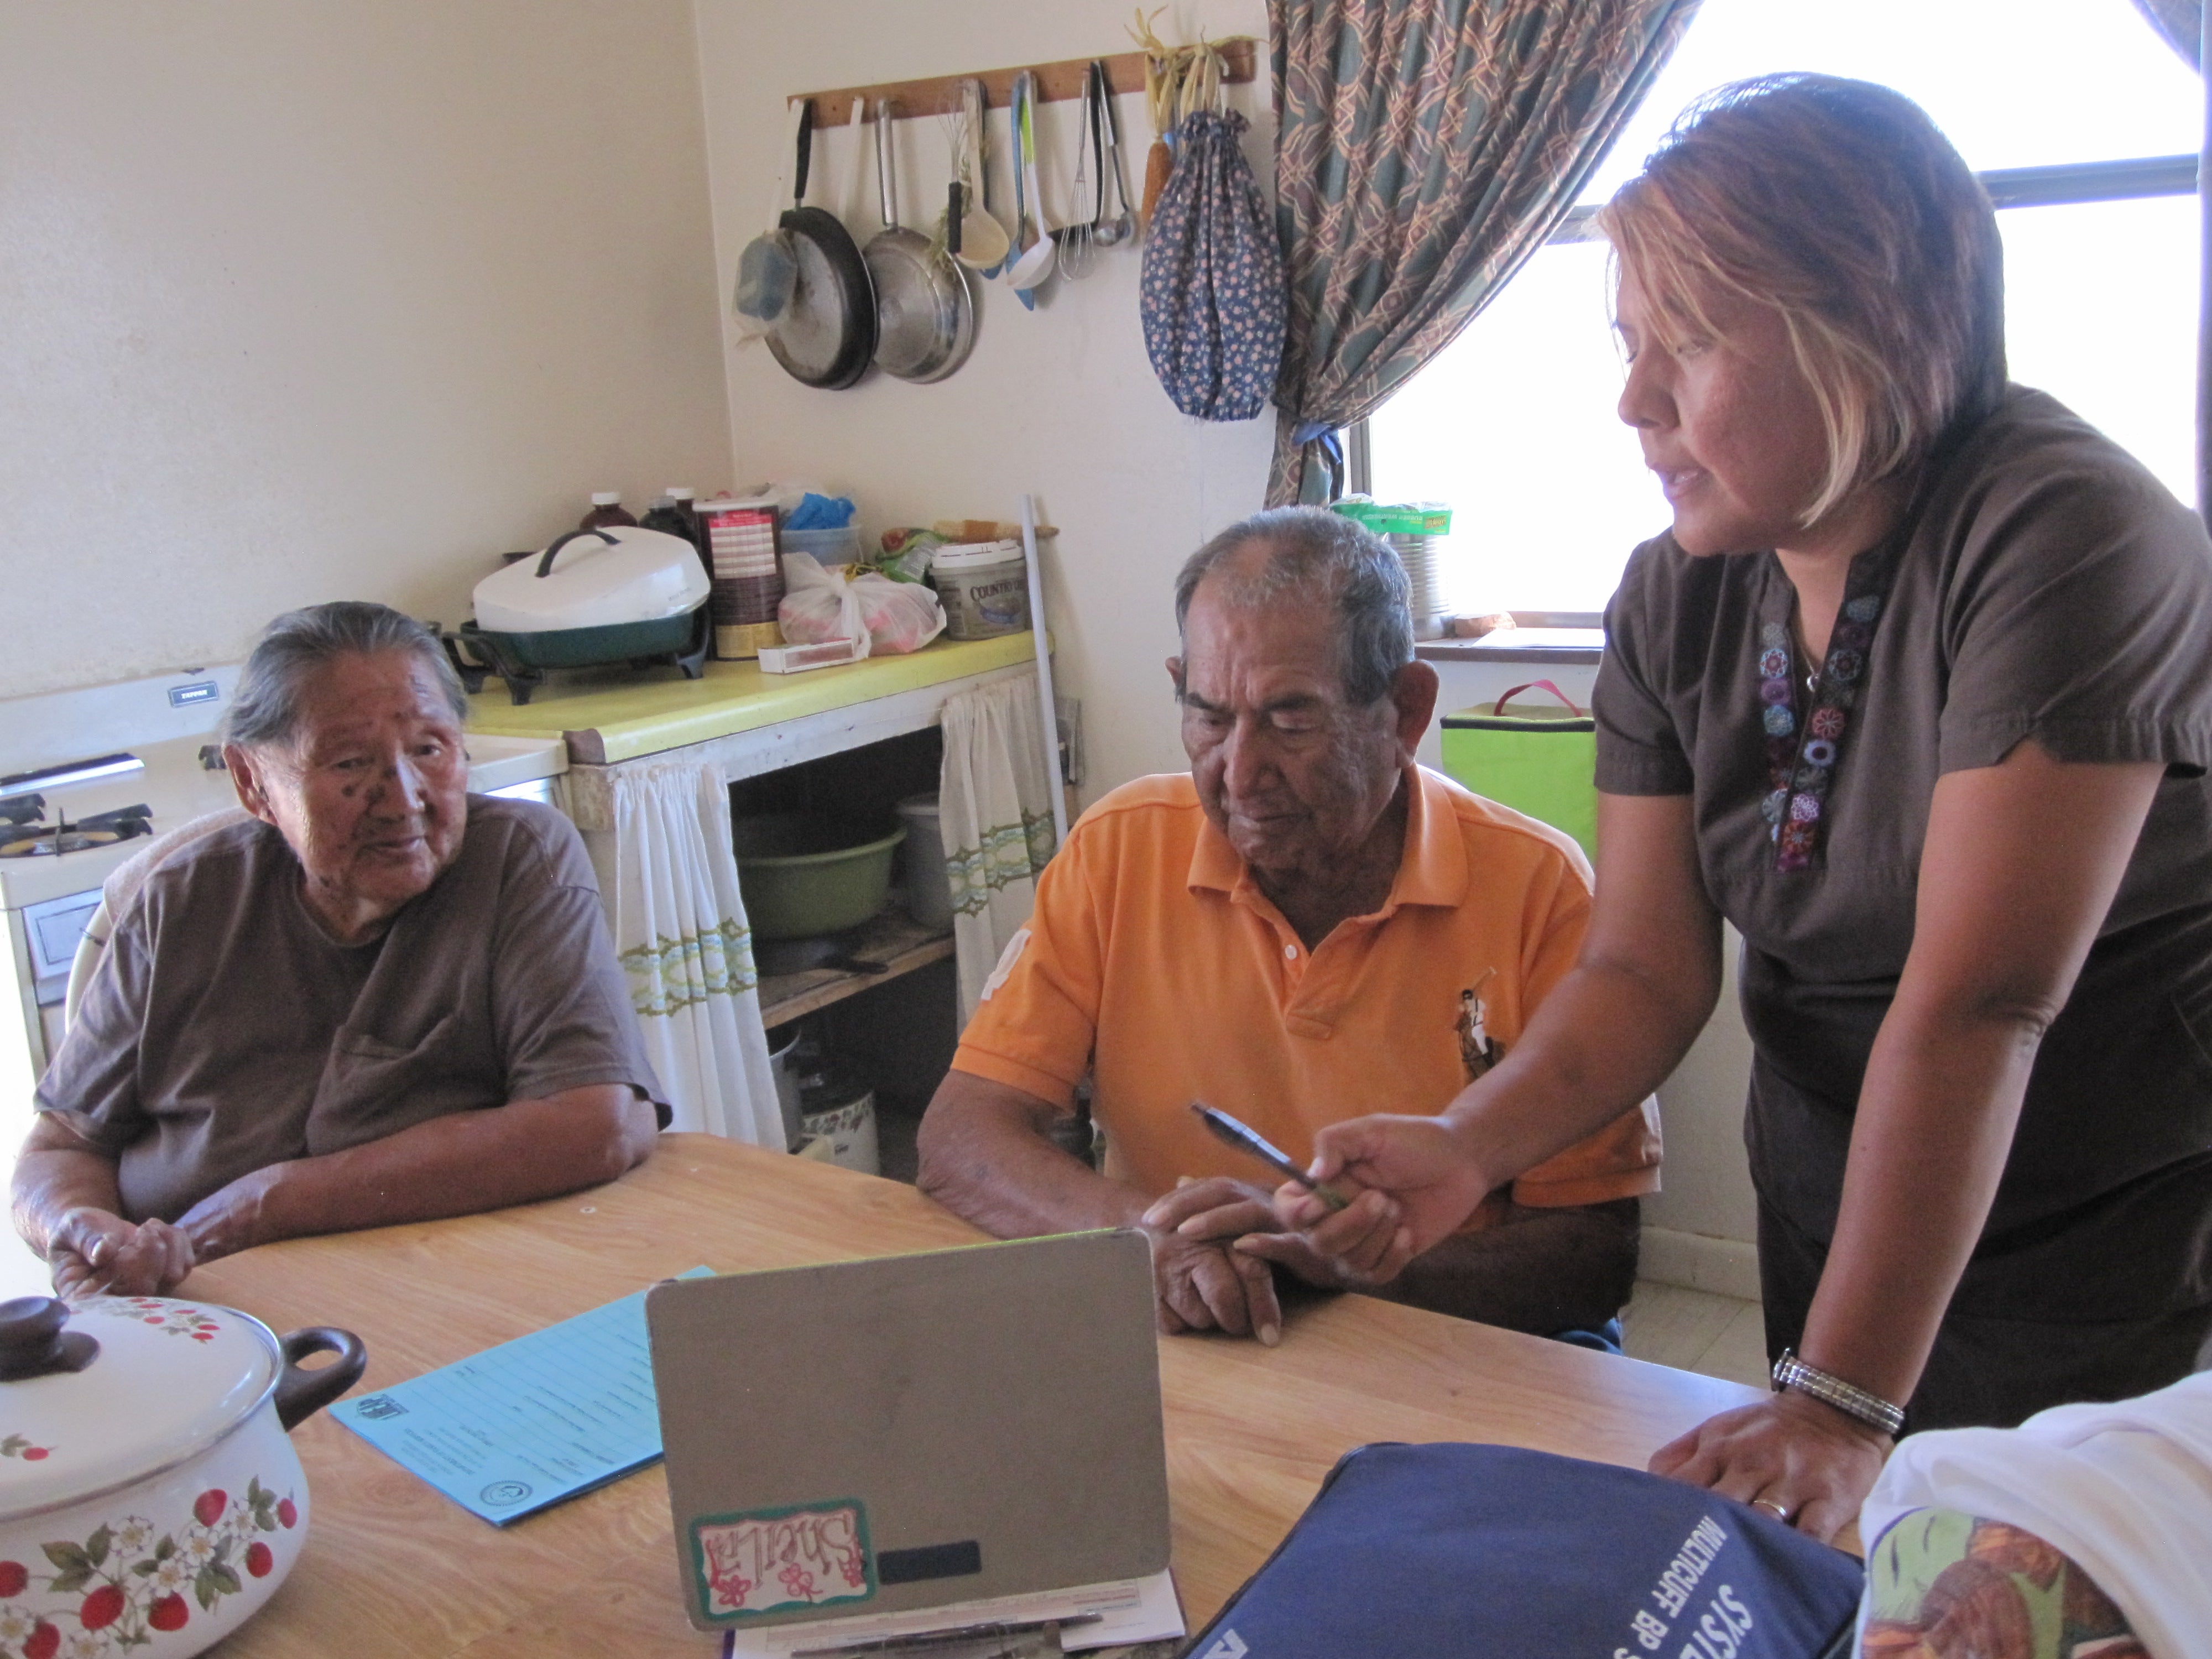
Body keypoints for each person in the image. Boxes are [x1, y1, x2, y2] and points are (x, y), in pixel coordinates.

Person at [1276, 72, 2212, 1545]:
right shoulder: (1681, 589)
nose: (1635, 400)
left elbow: (1980, 1007)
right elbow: (1645, 969)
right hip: (1842, 1190)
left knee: (2042, 1578)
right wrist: (1467, 1147)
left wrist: (1841, 1399)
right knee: (1864, 1568)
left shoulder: (2071, 536)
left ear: (1872, 331)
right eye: (1629, 344)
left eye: (1693, 342)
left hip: (2095, 1215)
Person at [916, 508, 1660, 1347]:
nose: (1239, 773)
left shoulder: (1539, 889)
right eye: (1209, 717)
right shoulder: (1118, 849)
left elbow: (1594, 1260)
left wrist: (1339, 1270)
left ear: (1405, 712)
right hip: (1188, 1319)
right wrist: (1153, 1235)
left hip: (1441, 1338)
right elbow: (961, 1138)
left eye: (1290, 721)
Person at [14, 601, 667, 1297]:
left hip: (437, 1287)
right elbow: (63, 1146)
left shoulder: (517, 860)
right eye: (351, 763)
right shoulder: (179, 901)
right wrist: (80, 1229)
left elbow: (590, 1124)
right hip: (196, 1316)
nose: (404, 799)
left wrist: (271, 1203)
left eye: (428, 749)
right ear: (252, 782)